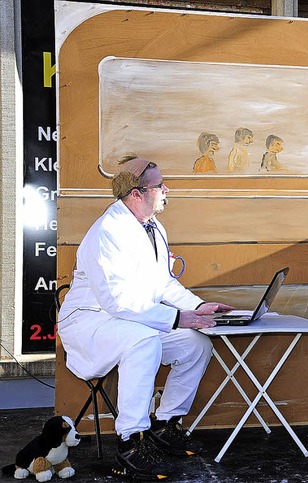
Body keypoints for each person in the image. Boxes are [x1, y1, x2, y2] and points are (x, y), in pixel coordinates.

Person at [58, 155, 234, 479]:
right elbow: (118, 301)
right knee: (144, 340)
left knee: (196, 344)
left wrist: (196, 308)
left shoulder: (153, 227)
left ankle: (165, 425)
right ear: (136, 193)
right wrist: (177, 318)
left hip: (131, 319)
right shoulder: (108, 231)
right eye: (159, 185)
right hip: (90, 323)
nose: (167, 189)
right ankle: (131, 443)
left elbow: (163, 282)